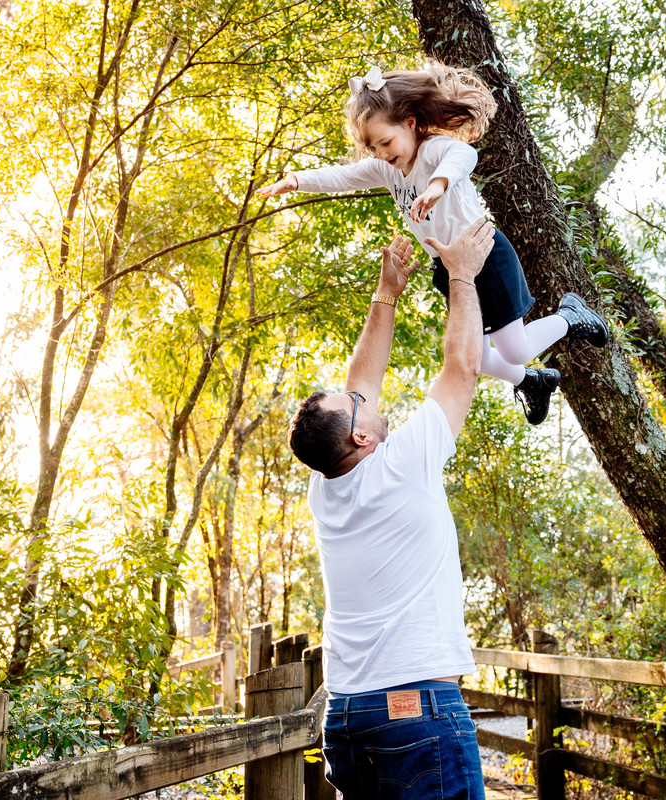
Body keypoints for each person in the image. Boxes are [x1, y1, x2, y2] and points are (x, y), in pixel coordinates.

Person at [260, 61, 610, 425]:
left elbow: (465, 154)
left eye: (386, 142)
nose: (381, 153)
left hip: (484, 256)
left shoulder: (433, 151)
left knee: (516, 349)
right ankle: (533, 382)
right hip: (451, 268)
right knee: (472, 354)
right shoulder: (385, 167)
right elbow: (342, 176)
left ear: (410, 123)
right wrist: (295, 180)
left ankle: (570, 316)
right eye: (372, 147)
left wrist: (437, 184)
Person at [287, 219, 496, 798]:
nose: (364, 399)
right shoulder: (404, 461)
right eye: (356, 408)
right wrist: (461, 275)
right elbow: (462, 368)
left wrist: (387, 294)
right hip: (415, 713)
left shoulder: (325, 486)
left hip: (348, 718)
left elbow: (362, 381)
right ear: (360, 439)